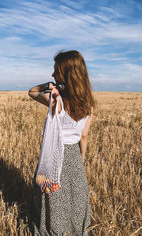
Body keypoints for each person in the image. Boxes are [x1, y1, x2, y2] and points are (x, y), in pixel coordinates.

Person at [28, 50, 96, 235]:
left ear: (66, 74)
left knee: (53, 194)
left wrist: (49, 86)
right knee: (75, 195)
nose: (52, 75)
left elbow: (32, 91)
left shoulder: (56, 101)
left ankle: (55, 228)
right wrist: (81, 159)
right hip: (74, 154)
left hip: (55, 153)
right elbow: (84, 136)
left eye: (55, 71)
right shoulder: (88, 103)